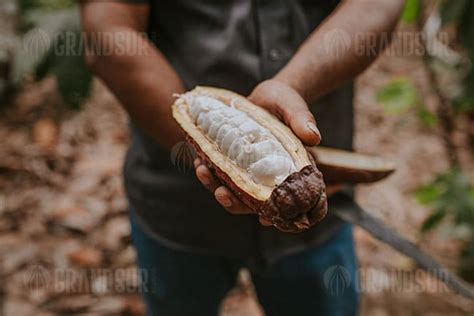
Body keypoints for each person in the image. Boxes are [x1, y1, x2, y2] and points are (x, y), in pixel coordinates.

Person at [80, 0, 404, 315]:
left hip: (320, 196)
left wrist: (292, 86)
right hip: (180, 203)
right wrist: (207, 149)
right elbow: (109, 32)